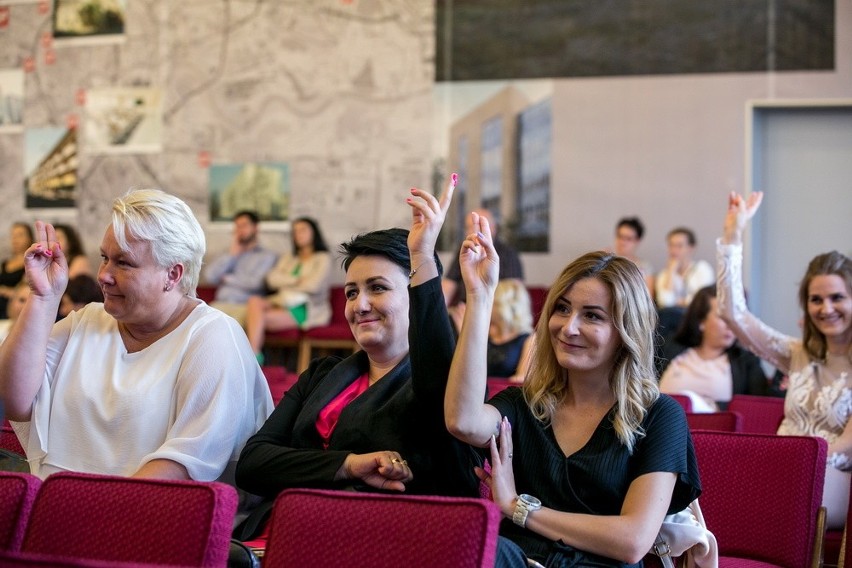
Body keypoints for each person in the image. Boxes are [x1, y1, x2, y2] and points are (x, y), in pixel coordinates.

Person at [445, 212, 700, 567]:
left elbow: (632, 541)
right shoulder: (524, 404)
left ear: (626, 330)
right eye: (562, 309)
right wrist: (480, 296)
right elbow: (463, 420)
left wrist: (518, 508)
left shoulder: (658, 416)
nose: (568, 328)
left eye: (592, 315)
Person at [234, 176, 481, 541]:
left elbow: (437, 379)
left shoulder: (440, 386)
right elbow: (254, 463)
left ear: (416, 295)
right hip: (276, 533)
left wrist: (423, 257)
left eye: (377, 288)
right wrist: (349, 466)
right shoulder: (322, 374)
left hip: (369, 541)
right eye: (351, 293)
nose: (359, 305)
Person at [0, 189, 273, 481]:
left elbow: (184, 465)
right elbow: (13, 400)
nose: (103, 274)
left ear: (173, 274)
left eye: (124, 263)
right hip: (56, 507)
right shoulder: (85, 322)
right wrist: (43, 298)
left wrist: (92, 511)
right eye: (104, 258)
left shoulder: (213, 337)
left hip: (143, 515)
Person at [717, 191, 852, 529]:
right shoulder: (797, 353)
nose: (826, 308)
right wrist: (734, 236)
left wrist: (791, 467)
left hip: (829, 483)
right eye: (815, 299)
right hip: (780, 474)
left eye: (837, 298)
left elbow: (845, 448)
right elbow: (733, 314)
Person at [659, 285, 774, 412]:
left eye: (734, 318)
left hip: (712, 429)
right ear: (701, 321)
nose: (730, 324)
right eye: (722, 317)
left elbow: (760, 408)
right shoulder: (669, 348)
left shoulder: (747, 361)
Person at [244, 217, 332, 362]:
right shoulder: (289, 257)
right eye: (295, 231)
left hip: (305, 308)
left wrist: (284, 280)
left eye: (303, 230)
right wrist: (297, 279)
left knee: (257, 320)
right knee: (254, 301)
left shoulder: (322, 258)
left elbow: (314, 286)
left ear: (314, 233)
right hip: (282, 301)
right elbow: (272, 279)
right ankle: (254, 355)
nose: (298, 234)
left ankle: (252, 356)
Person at [204, 210, 279, 326]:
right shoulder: (229, 253)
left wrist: (228, 278)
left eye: (244, 225)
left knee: (224, 329)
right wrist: (232, 255)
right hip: (220, 304)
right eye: (237, 226)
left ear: (255, 228)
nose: (239, 230)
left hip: (244, 307)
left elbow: (256, 283)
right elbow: (210, 276)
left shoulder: (267, 256)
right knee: (199, 328)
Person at [442, 207, 523, 307]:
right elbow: (448, 285)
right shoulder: (464, 250)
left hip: (495, 313)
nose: (474, 231)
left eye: (480, 226)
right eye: (469, 227)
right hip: (465, 309)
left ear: (493, 228)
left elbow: (515, 298)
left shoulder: (508, 254)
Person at [485, 278, 534, 383]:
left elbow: (522, 378)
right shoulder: (485, 334)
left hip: (503, 395)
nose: (487, 306)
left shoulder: (529, 339)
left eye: (492, 302)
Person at [655, 227, 714, 309]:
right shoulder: (664, 274)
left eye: (679, 246)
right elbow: (665, 303)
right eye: (671, 245)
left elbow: (703, 301)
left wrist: (678, 302)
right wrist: (671, 271)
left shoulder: (702, 268)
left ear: (691, 248)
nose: (674, 250)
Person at [613, 217, 654, 296]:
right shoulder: (606, 262)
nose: (622, 242)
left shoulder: (645, 267)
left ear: (637, 241)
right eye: (620, 236)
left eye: (628, 239)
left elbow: (649, 298)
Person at [0, 222, 33, 319]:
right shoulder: (4, 263)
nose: (15, 239)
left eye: (20, 235)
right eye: (13, 236)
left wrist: (4, 291)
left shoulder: (31, 263)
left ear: (29, 238)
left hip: (18, 308)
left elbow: (26, 291)